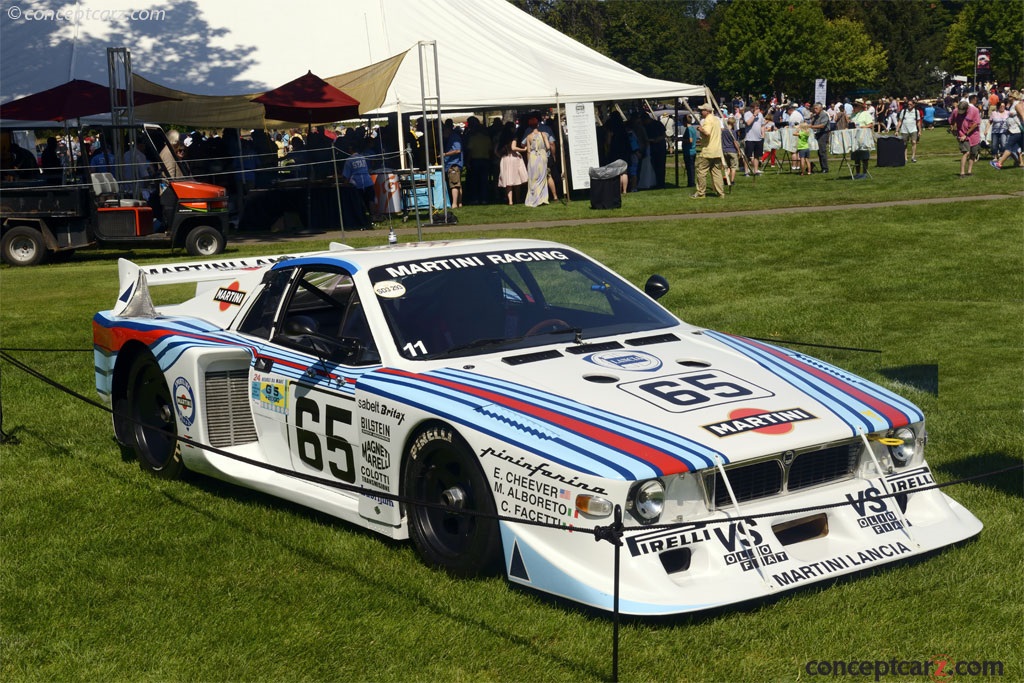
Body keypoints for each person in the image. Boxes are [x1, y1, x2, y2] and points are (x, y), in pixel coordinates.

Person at [691, 103, 724, 199]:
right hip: (717, 150)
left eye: (702, 110)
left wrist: (700, 129)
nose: (701, 112)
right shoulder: (717, 120)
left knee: (701, 172)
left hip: (708, 151)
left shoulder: (708, 120)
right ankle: (720, 193)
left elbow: (707, 132)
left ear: (707, 111)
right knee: (717, 173)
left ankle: (701, 193)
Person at [496, 122, 527, 205]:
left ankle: (510, 201)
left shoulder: (501, 137)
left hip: (505, 159)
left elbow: (496, 151)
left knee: (508, 181)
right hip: (513, 158)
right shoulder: (513, 137)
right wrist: (523, 150)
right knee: (516, 179)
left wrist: (501, 156)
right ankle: (518, 198)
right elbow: (513, 148)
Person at [522, 114, 551, 207]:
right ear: (538, 124)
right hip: (542, 156)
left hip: (533, 157)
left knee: (533, 178)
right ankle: (542, 198)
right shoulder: (544, 134)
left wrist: (528, 161)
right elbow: (548, 146)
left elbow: (528, 151)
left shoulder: (528, 137)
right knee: (542, 178)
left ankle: (534, 198)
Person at [950, 100, 981, 178]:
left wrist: (966, 134)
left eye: (963, 111)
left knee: (973, 153)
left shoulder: (975, 110)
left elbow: (976, 124)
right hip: (961, 134)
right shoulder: (955, 111)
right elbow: (951, 120)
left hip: (974, 135)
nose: (961, 113)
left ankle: (969, 171)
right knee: (966, 152)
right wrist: (953, 129)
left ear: (967, 108)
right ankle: (962, 173)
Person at [992, 91, 1023, 169]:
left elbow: (1023, 116)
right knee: (1017, 147)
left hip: (1016, 130)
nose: (1008, 97)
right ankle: (1020, 162)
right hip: (1013, 129)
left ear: (1014, 97)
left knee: (1009, 147)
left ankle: (999, 163)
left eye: (1009, 96)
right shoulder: (1013, 105)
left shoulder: (1017, 105)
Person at [441, 119, 463, 208]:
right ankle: (459, 203)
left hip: (453, 164)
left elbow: (457, 150)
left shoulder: (454, 137)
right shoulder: (452, 137)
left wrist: (445, 154)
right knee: (458, 184)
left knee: (454, 185)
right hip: (453, 164)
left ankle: (454, 204)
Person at [850, 99, 873, 179]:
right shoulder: (853, 114)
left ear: (860, 106)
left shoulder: (865, 113)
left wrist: (863, 127)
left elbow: (870, 125)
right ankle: (857, 173)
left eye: (855, 105)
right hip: (855, 137)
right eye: (853, 105)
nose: (854, 107)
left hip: (863, 137)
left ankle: (864, 173)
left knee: (864, 156)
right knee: (856, 156)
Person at [742, 104, 764, 176]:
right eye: (756, 108)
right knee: (747, 156)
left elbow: (762, 125)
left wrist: (763, 134)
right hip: (749, 138)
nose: (757, 109)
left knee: (757, 155)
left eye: (758, 108)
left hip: (758, 138)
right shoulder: (747, 114)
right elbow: (748, 123)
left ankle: (756, 170)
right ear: (752, 108)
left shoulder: (760, 115)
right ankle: (746, 171)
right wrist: (754, 115)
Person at [897, 99, 921, 163]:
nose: (909, 105)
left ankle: (913, 157)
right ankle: (905, 158)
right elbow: (900, 121)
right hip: (904, 130)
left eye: (910, 104)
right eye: (908, 104)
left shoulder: (916, 111)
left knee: (914, 142)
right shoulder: (903, 111)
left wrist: (920, 131)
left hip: (913, 129)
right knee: (904, 144)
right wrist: (897, 130)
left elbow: (918, 122)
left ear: (913, 105)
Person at [808, 102, 830, 173]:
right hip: (817, 134)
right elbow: (812, 123)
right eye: (814, 108)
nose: (815, 110)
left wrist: (811, 127)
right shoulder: (815, 116)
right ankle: (822, 167)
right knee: (819, 151)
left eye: (816, 108)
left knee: (822, 151)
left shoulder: (824, 115)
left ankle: (825, 168)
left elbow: (822, 125)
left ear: (821, 108)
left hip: (823, 134)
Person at [680, 114, 698, 187]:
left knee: (690, 168)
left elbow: (690, 140)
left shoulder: (689, 129)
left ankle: (691, 182)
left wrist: (681, 139)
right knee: (691, 168)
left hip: (689, 151)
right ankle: (691, 182)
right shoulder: (693, 128)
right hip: (692, 151)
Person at [721, 116, 740, 185]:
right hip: (732, 150)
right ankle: (732, 181)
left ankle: (725, 177)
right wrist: (738, 150)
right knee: (733, 167)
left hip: (724, 150)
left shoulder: (723, 132)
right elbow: (735, 142)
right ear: (734, 123)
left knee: (728, 166)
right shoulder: (733, 132)